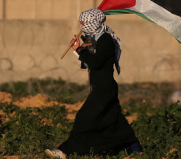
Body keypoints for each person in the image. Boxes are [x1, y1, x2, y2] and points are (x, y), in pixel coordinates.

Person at [45, 8, 142, 158]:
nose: (82, 26)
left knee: (84, 119)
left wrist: (80, 50)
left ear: (93, 22)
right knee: (114, 121)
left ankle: (65, 151)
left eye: (84, 22)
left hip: (104, 89)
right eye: (81, 23)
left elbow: (95, 63)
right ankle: (134, 148)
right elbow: (88, 64)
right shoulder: (95, 39)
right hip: (100, 87)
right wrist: (80, 48)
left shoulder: (105, 40)